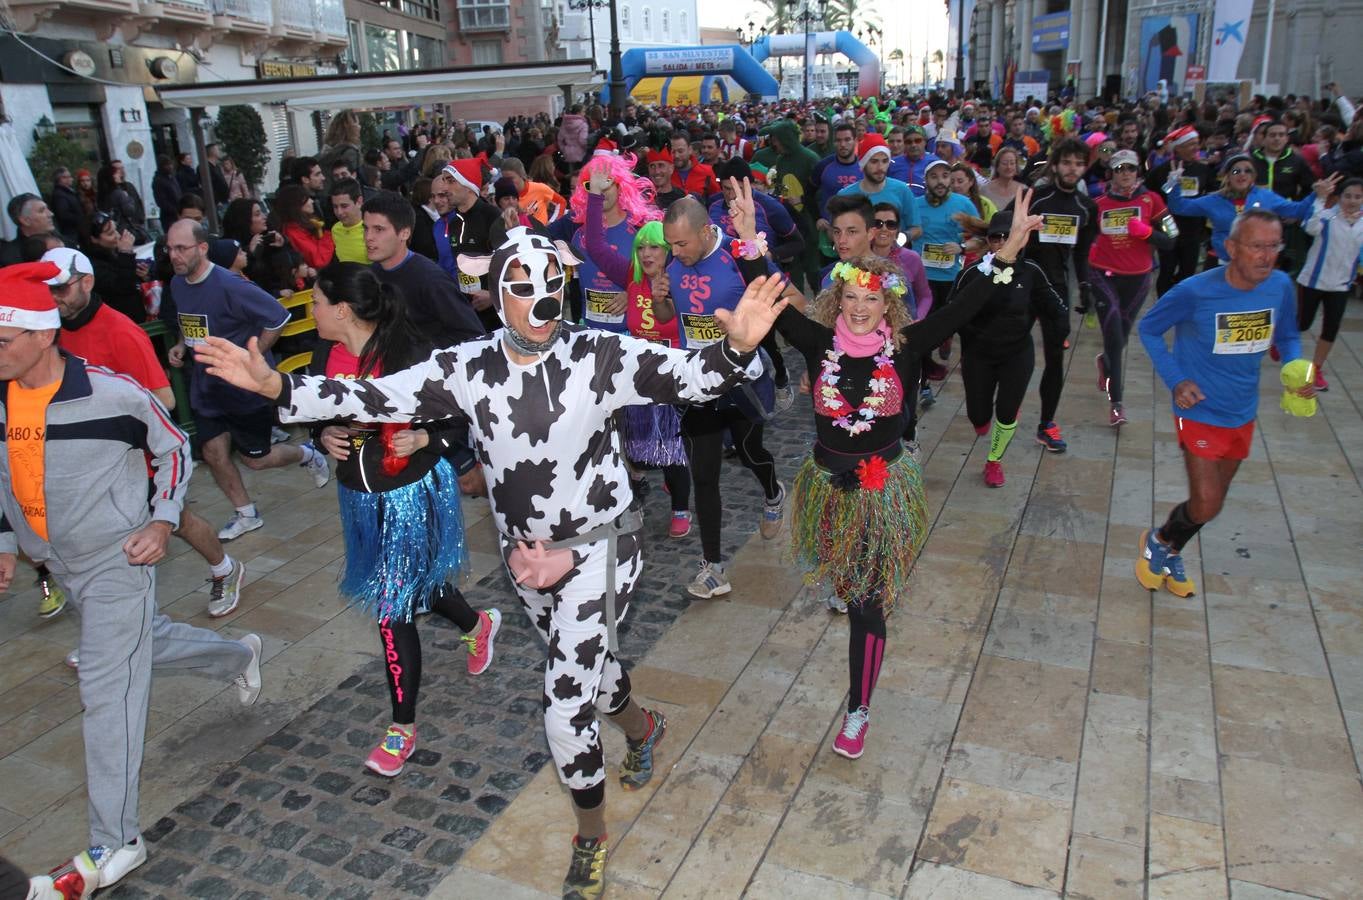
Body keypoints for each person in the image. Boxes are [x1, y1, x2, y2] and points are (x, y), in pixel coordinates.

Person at [195, 224, 790, 900]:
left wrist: (737, 345)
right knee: (593, 679)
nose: (537, 300)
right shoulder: (467, 368)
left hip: (602, 550)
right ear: (494, 294)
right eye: (519, 287)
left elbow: (692, 379)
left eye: (548, 285)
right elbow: (373, 397)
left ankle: (590, 836)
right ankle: (642, 725)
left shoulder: (599, 354)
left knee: (565, 705)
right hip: (523, 559)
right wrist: (278, 387)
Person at [0, 261, 263, 899]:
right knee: (142, 646)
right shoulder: (3, 398)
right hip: (56, 562)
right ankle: (237, 654)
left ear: (40, 336)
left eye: (3, 339)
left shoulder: (112, 394)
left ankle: (117, 839)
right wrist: (9, 539)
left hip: (120, 560)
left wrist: (164, 520)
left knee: (107, 691)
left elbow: (174, 446)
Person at [774, 188, 1043, 758]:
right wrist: (746, 233)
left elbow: (965, 306)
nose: (859, 307)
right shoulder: (818, 342)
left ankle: (858, 711)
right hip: (827, 488)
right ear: (837, 299)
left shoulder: (906, 347)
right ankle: (854, 625)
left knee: (867, 603)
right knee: (845, 588)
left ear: (889, 304)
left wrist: (1008, 254)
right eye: (850, 297)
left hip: (881, 489)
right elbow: (768, 290)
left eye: (871, 298)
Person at [305, 262, 501, 775]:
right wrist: (320, 436)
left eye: (317, 303)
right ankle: (477, 623)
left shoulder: (408, 353)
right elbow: (314, 410)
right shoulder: (326, 352)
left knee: (392, 605)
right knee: (417, 587)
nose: (313, 311)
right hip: (359, 497)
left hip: (411, 493)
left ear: (341, 309)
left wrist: (427, 439)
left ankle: (401, 729)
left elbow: (460, 414)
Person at [45, 246, 246, 624]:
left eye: (61, 288)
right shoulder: (50, 333)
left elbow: (164, 398)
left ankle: (225, 568)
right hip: (88, 463)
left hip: (134, 457)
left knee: (176, 521)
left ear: (86, 282)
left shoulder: (120, 331)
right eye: (47, 290)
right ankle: (110, 625)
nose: (53, 298)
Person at [1136, 210, 1314, 598]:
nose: (1267, 257)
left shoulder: (1281, 285)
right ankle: (1158, 541)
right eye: (1256, 247)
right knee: (1207, 503)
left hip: (1242, 411)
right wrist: (1176, 380)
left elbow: (1288, 336)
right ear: (1231, 248)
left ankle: (1170, 547)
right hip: (1197, 410)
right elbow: (1148, 329)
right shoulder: (1195, 291)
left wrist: (1298, 370)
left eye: (1274, 246)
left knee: (1212, 504)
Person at [163, 220, 332, 540]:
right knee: (213, 452)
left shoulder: (230, 284)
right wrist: (181, 345)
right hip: (207, 386)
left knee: (256, 459)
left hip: (244, 390)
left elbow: (278, 317)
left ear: (202, 248)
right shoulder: (177, 284)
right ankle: (246, 513)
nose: (174, 255)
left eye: (181, 248)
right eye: (169, 248)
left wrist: (252, 359)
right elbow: (195, 325)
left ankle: (307, 454)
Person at [662, 197, 787, 598]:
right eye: (670, 245)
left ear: (704, 232)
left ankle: (773, 491)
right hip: (697, 383)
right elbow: (669, 317)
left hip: (742, 381)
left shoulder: (736, 258)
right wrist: (660, 296)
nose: (674, 252)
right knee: (704, 475)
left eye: (681, 244)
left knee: (751, 454)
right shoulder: (673, 261)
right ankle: (713, 567)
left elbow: (782, 298)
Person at [581, 166, 694, 537]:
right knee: (636, 446)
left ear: (669, 251)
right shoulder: (629, 276)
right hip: (637, 375)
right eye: (641, 246)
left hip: (674, 375)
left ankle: (680, 507)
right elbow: (595, 245)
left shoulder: (682, 278)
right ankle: (645, 488)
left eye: (655, 247)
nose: (647, 253)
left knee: (673, 446)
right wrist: (595, 196)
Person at [952, 211, 1068, 487]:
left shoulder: (1031, 272)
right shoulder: (973, 272)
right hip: (978, 354)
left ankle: (994, 461)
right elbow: (951, 312)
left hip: (1017, 353)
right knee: (979, 417)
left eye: (1009, 236)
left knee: (1006, 412)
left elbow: (1056, 308)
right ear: (988, 241)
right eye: (996, 237)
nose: (1003, 242)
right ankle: (982, 422)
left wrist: (1059, 332)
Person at [1012, 137, 1098, 453]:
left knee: (1055, 358)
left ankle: (1047, 423)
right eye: (1067, 162)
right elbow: (1004, 226)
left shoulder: (1086, 208)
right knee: (1011, 347)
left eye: (1078, 163)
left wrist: (1086, 287)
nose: (1072, 169)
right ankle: (1009, 405)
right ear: (1056, 164)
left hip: (1057, 288)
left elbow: (1082, 255)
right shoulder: (1036, 196)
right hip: (1023, 281)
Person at [1089, 150, 1174, 426]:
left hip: (1138, 278)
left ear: (1138, 172)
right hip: (1103, 275)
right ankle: (1116, 404)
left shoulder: (1152, 200)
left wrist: (1148, 233)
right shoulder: (1098, 203)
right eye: (1119, 168)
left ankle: (1105, 363)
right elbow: (1082, 241)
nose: (1125, 173)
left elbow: (1173, 238)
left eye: (1130, 168)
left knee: (1120, 339)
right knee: (1114, 338)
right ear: (1111, 173)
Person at [1163, 152, 1331, 267]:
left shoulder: (1265, 197)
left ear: (1253, 177)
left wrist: (1316, 195)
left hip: (1256, 266)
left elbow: (1298, 210)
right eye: (1236, 171)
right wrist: (1174, 183)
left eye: (1248, 171)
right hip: (1224, 264)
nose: (1242, 174)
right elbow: (1179, 206)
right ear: (1227, 175)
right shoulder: (1214, 200)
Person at [569, 152, 661, 333]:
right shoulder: (579, 235)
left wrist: (634, 294)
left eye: (606, 183)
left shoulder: (640, 231)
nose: (600, 190)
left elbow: (663, 280)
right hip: (589, 333)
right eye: (592, 185)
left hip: (631, 335)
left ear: (620, 186)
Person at [912, 159, 977, 405]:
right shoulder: (915, 205)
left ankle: (947, 340)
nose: (940, 181)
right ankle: (924, 385)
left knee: (946, 326)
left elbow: (982, 238)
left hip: (952, 278)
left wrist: (961, 247)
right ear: (925, 180)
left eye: (945, 176)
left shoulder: (963, 204)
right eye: (934, 176)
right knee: (924, 329)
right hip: (923, 278)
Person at [1295, 177, 1363, 391]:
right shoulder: (1326, 217)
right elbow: (1309, 227)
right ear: (1339, 197)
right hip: (1313, 281)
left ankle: (1316, 369)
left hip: (1341, 285)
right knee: (1302, 324)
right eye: (1348, 196)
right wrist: (1320, 198)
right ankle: (1281, 339)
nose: (1352, 201)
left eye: (1358, 196)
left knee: (1331, 328)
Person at [1145, 125, 1214, 294]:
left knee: (1188, 272)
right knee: (1167, 270)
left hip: (1193, 228)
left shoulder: (1203, 170)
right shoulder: (1160, 171)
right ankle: (1164, 305)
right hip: (1168, 226)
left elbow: (1212, 194)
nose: (1196, 147)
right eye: (1191, 144)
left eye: (1197, 143)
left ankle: (1182, 302)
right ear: (1179, 148)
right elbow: (1148, 197)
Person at [837, 134, 921, 241]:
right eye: (874, 161)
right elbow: (835, 231)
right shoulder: (845, 196)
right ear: (863, 163)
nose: (880, 167)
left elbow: (917, 228)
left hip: (893, 256)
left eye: (885, 161)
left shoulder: (902, 190)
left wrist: (901, 239)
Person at [83, 212, 147, 322]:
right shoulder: (92, 266)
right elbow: (122, 286)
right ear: (94, 239)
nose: (117, 235)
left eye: (116, 230)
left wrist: (142, 276)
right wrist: (126, 253)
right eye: (110, 233)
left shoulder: (112, 253)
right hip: (120, 321)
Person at [274, 184, 336, 270]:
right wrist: (328, 236)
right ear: (297, 205)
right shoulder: (293, 231)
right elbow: (319, 260)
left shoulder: (304, 224)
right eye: (307, 200)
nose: (311, 201)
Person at [500, 157, 566, 225]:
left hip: (542, 233)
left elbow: (561, 202)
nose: (507, 182)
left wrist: (552, 223)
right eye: (504, 179)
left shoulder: (539, 188)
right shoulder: (503, 196)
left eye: (511, 178)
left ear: (521, 175)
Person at [1, 193, 55, 265]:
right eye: (41, 211)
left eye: (47, 209)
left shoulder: (64, 241)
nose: (51, 214)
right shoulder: (12, 258)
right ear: (25, 221)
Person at [329, 178, 368, 264]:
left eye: (344, 206)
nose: (339, 212)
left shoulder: (373, 229)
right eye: (335, 207)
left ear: (359, 202)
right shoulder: (335, 229)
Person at [669, 131, 719, 197]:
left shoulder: (706, 171)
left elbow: (717, 197)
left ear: (690, 150)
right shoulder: (666, 173)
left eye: (680, 151)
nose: (676, 155)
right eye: (673, 152)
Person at [50, 167, 84, 247]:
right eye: (66, 177)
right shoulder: (59, 195)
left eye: (70, 176)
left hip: (77, 230)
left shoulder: (69, 192)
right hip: (71, 232)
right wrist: (80, 219)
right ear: (60, 179)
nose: (70, 179)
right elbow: (63, 214)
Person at [152, 155, 183, 234]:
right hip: (169, 217)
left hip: (179, 212)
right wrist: (175, 211)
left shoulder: (172, 178)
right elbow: (162, 202)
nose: (170, 167)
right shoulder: (158, 181)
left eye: (170, 164)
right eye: (167, 165)